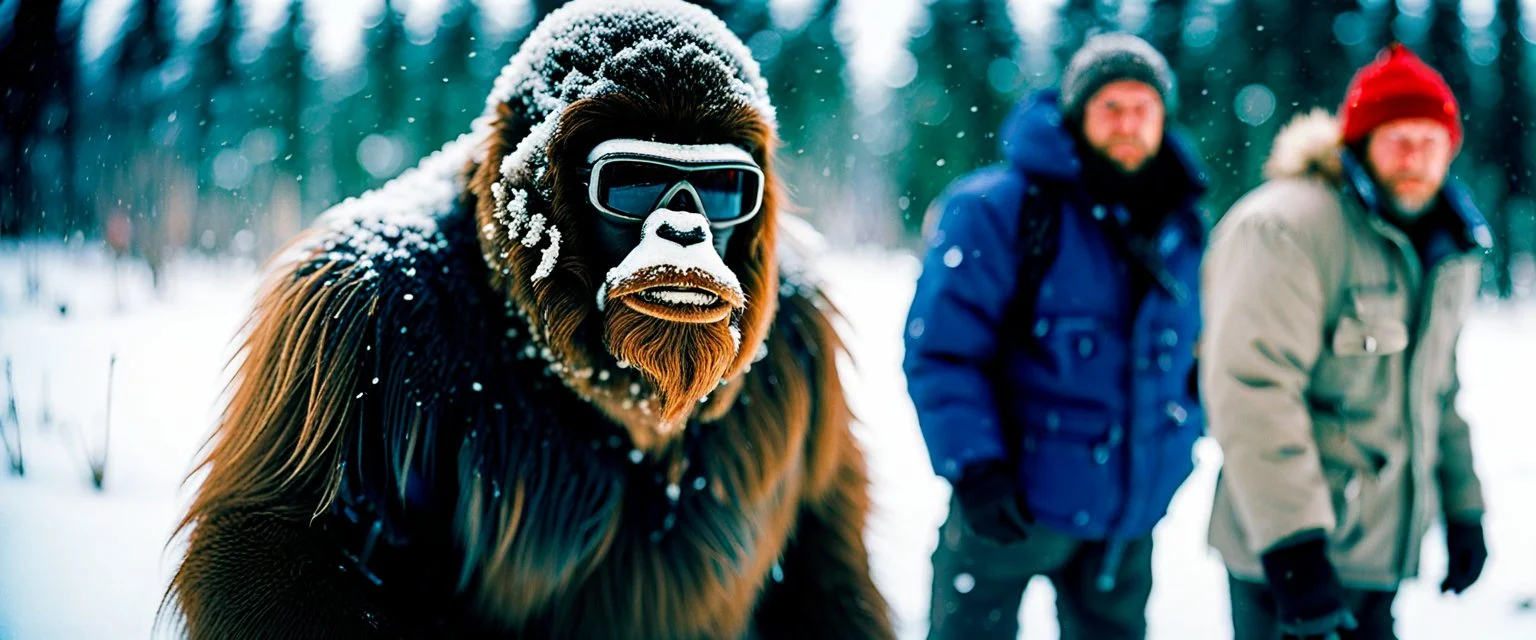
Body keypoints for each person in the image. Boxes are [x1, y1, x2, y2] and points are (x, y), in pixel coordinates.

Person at [903, 33, 1209, 640]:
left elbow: (1193, 355)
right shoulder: (997, 209)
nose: (1128, 123)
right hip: (1009, 508)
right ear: (1076, 116)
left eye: (1142, 108)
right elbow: (942, 353)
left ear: (1163, 118)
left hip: (1126, 519)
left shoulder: (1181, 223)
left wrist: (1181, 440)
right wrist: (977, 469)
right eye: (1110, 108)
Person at [1201, 43, 1491, 640]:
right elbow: (1252, 390)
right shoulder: (1285, 229)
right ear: (1358, 144)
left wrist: (1464, 509)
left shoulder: (1446, 246)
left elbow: (1438, 390)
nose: (1415, 157)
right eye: (1397, 139)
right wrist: (1295, 549)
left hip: (1379, 552)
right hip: (1286, 562)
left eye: (1430, 141)